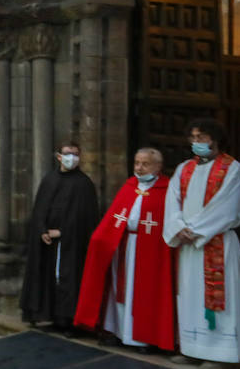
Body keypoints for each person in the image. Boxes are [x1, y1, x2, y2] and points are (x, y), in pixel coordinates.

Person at [163, 120, 240, 369]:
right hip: (189, 246)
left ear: (215, 139)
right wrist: (176, 227)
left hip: (216, 242)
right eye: (193, 137)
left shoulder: (232, 169)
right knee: (190, 296)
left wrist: (195, 230)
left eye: (202, 137)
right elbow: (171, 201)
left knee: (215, 299)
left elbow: (227, 206)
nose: (197, 142)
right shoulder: (184, 169)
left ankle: (219, 354)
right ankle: (192, 348)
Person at [73, 149, 176, 350]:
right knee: (119, 291)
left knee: (145, 293)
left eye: (145, 163)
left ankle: (143, 338)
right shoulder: (129, 186)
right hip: (125, 246)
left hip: (151, 251)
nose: (139, 167)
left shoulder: (168, 189)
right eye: (137, 162)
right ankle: (117, 331)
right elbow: (114, 217)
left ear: (158, 166)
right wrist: (100, 240)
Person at [20, 142, 100, 332]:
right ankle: (45, 314)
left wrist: (62, 231)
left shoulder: (84, 184)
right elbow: (39, 209)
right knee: (47, 276)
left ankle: (68, 321)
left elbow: (86, 217)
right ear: (58, 156)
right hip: (47, 241)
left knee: (69, 278)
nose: (71, 157)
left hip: (72, 243)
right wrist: (42, 230)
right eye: (67, 153)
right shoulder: (49, 179)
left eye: (75, 154)